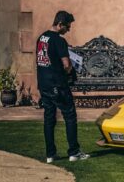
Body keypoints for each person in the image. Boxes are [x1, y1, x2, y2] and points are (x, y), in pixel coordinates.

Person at [36, 11, 89, 163]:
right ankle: (74, 152)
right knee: (70, 116)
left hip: (44, 84)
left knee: (49, 118)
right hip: (58, 84)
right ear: (59, 24)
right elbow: (66, 64)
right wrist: (71, 70)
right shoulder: (59, 40)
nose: (69, 29)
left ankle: (50, 155)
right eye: (67, 26)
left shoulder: (41, 38)